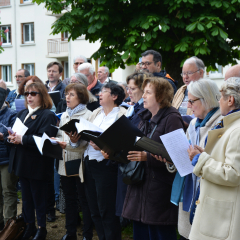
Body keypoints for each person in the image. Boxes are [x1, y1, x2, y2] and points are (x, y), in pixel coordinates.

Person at [122, 77, 184, 240]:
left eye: (148, 92)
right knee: (141, 234)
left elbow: (178, 157)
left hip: (159, 190)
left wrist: (146, 157)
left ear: (161, 96)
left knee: (159, 234)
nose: (143, 96)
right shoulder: (144, 117)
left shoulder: (172, 118)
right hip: (140, 187)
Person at [187, 77, 240, 240]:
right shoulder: (232, 125)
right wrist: (204, 155)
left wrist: (200, 159)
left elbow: (234, 174)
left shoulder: (237, 129)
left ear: (230, 100)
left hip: (223, 217)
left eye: (220, 98)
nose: (218, 103)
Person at [172, 79, 222, 240]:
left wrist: (198, 158)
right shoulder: (193, 123)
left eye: (192, 101)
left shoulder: (221, 125)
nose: (189, 105)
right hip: (189, 188)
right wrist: (171, 160)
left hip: (208, 192)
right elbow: (185, 156)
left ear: (206, 99)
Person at [8, 82, 58, 240]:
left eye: (33, 93)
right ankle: (30, 226)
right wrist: (11, 138)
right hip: (22, 162)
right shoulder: (22, 113)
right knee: (26, 199)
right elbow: (16, 135)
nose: (29, 96)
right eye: (26, 94)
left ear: (42, 95)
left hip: (38, 164)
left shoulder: (48, 114)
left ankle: (42, 229)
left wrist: (22, 139)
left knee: (39, 199)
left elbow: (44, 140)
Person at [79, 83, 126, 240]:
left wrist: (103, 146)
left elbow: (123, 144)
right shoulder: (97, 113)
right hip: (89, 163)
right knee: (94, 210)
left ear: (114, 96)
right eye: (99, 92)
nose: (99, 94)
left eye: (104, 92)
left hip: (106, 166)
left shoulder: (121, 115)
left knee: (107, 210)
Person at [55, 83, 93, 240]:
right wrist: (54, 140)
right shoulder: (64, 115)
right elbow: (59, 135)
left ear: (81, 97)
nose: (67, 97)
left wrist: (73, 142)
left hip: (81, 163)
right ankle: (70, 232)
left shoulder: (89, 115)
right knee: (69, 199)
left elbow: (88, 142)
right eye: (66, 94)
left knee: (84, 201)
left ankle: (87, 234)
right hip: (65, 163)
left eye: (71, 94)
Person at [116, 72, 151, 227]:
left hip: (141, 166)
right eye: (127, 88)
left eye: (132, 88)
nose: (128, 92)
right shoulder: (133, 107)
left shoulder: (146, 109)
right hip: (129, 162)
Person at [0, 81, 17, 230]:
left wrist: (3, 137)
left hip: (6, 159)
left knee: (8, 191)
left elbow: (14, 139)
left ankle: (9, 227)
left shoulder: (12, 114)